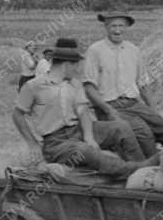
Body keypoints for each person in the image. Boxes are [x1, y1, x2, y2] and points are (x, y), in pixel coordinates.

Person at [12, 37, 149, 179]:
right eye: (76, 65)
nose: (78, 69)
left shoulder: (75, 84)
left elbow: (83, 112)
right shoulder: (34, 86)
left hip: (77, 130)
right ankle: (127, 171)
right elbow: (17, 114)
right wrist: (32, 143)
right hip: (56, 142)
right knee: (83, 150)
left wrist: (89, 137)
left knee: (121, 127)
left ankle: (142, 171)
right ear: (66, 65)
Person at [83, 11, 163, 158]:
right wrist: (108, 110)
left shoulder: (133, 50)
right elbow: (89, 87)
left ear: (126, 27)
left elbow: (142, 84)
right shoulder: (95, 50)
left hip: (133, 103)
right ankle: (146, 168)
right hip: (109, 104)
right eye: (113, 26)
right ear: (106, 27)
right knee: (143, 133)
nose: (117, 30)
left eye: (121, 26)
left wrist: (153, 110)